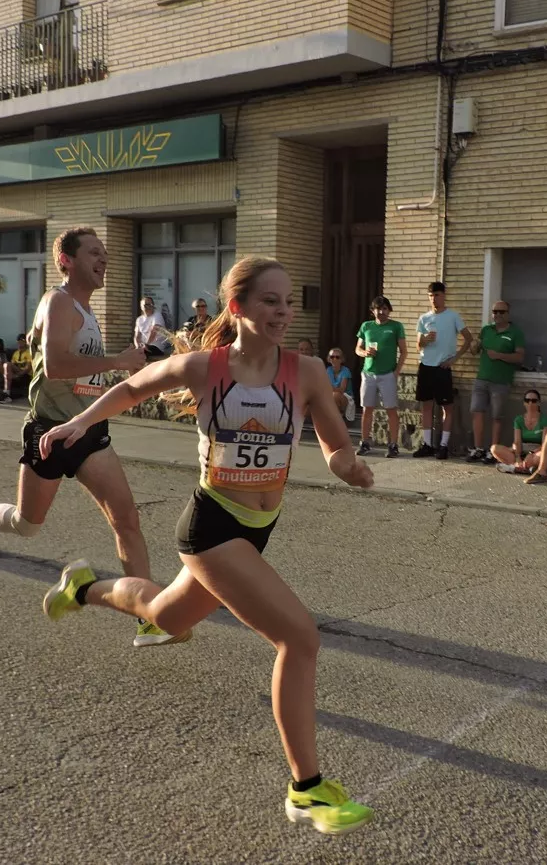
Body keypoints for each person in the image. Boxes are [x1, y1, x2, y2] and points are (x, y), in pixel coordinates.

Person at [34, 255, 376, 835]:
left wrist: (349, 466)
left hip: (255, 531)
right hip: (211, 528)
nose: (283, 312)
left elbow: (334, 445)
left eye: (288, 302)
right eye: (270, 301)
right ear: (238, 307)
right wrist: (77, 424)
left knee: (165, 615)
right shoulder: (204, 368)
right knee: (298, 637)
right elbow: (132, 386)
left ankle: (84, 587)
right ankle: (307, 789)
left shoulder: (307, 371)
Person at [0, 228, 176, 647]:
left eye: (105, 253)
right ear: (66, 260)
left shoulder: (87, 311)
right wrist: (117, 359)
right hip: (49, 430)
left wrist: (125, 366)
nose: (104, 259)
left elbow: (85, 370)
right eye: (94, 253)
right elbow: (53, 366)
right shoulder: (58, 302)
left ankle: (147, 615)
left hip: (88, 431)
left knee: (126, 519)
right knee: (27, 524)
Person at [413, 281, 474, 460]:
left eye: (437, 295)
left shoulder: (453, 316)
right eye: (431, 295)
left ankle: (444, 445)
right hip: (425, 366)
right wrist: (424, 339)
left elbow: (468, 339)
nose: (434, 299)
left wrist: (454, 359)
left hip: (442, 367)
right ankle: (427, 444)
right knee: (426, 406)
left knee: (447, 407)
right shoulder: (424, 318)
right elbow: (418, 345)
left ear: (444, 295)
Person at [467, 299, 526, 463]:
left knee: (496, 416)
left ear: (508, 314)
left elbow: (520, 357)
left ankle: (493, 451)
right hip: (482, 378)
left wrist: (499, 355)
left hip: (501, 381)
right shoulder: (486, 330)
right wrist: (474, 345)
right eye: (495, 312)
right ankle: (478, 449)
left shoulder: (515, 333)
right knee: (477, 412)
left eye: (501, 312)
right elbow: (475, 350)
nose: (497, 315)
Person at [355, 295, 406, 458]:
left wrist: (396, 371)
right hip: (369, 373)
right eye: (379, 308)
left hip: (387, 374)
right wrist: (365, 353)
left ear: (389, 310)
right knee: (367, 409)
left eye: (385, 309)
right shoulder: (366, 326)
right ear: (373, 311)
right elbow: (357, 348)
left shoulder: (396, 326)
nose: (382, 312)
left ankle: (393, 444)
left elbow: (404, 351)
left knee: (391, 410)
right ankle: (364, 442)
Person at [490, 389, 547, 475]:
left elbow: (545, 444)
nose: (530, 403)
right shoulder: (519, 419)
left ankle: (515, 468)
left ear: (539, 403)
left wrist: (531, 453)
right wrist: (518, 457)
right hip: (522, 449)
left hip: (537, 451)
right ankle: (525, 468)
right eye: (527, 401)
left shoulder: (545, 420)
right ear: (524, 403)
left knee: (541, 457)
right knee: (494, 449)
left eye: (534, 401)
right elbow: (517, 441)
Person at [325, 347, 354, 420]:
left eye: (337, 357)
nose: (334, 359)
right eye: (332, 357)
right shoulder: (328, 370)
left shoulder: (345, 371)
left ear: (341, 359)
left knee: (336, 395)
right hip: (331, 395)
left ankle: (336, 418)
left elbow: (342, 389)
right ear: (329, 359)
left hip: (345, 397)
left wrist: (329, 388)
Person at [4, 332, 33, 402]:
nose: (20, 343)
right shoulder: (16, 353)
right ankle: (6, 393)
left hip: (27, 375)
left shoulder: (29, 352)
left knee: (8, 364)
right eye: (19, 341)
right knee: (7, 365)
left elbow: (28, 369)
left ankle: (6, 392)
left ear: (26, 342)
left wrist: (17, 376)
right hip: (18, 372)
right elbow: (12, 366)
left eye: (22, 341)